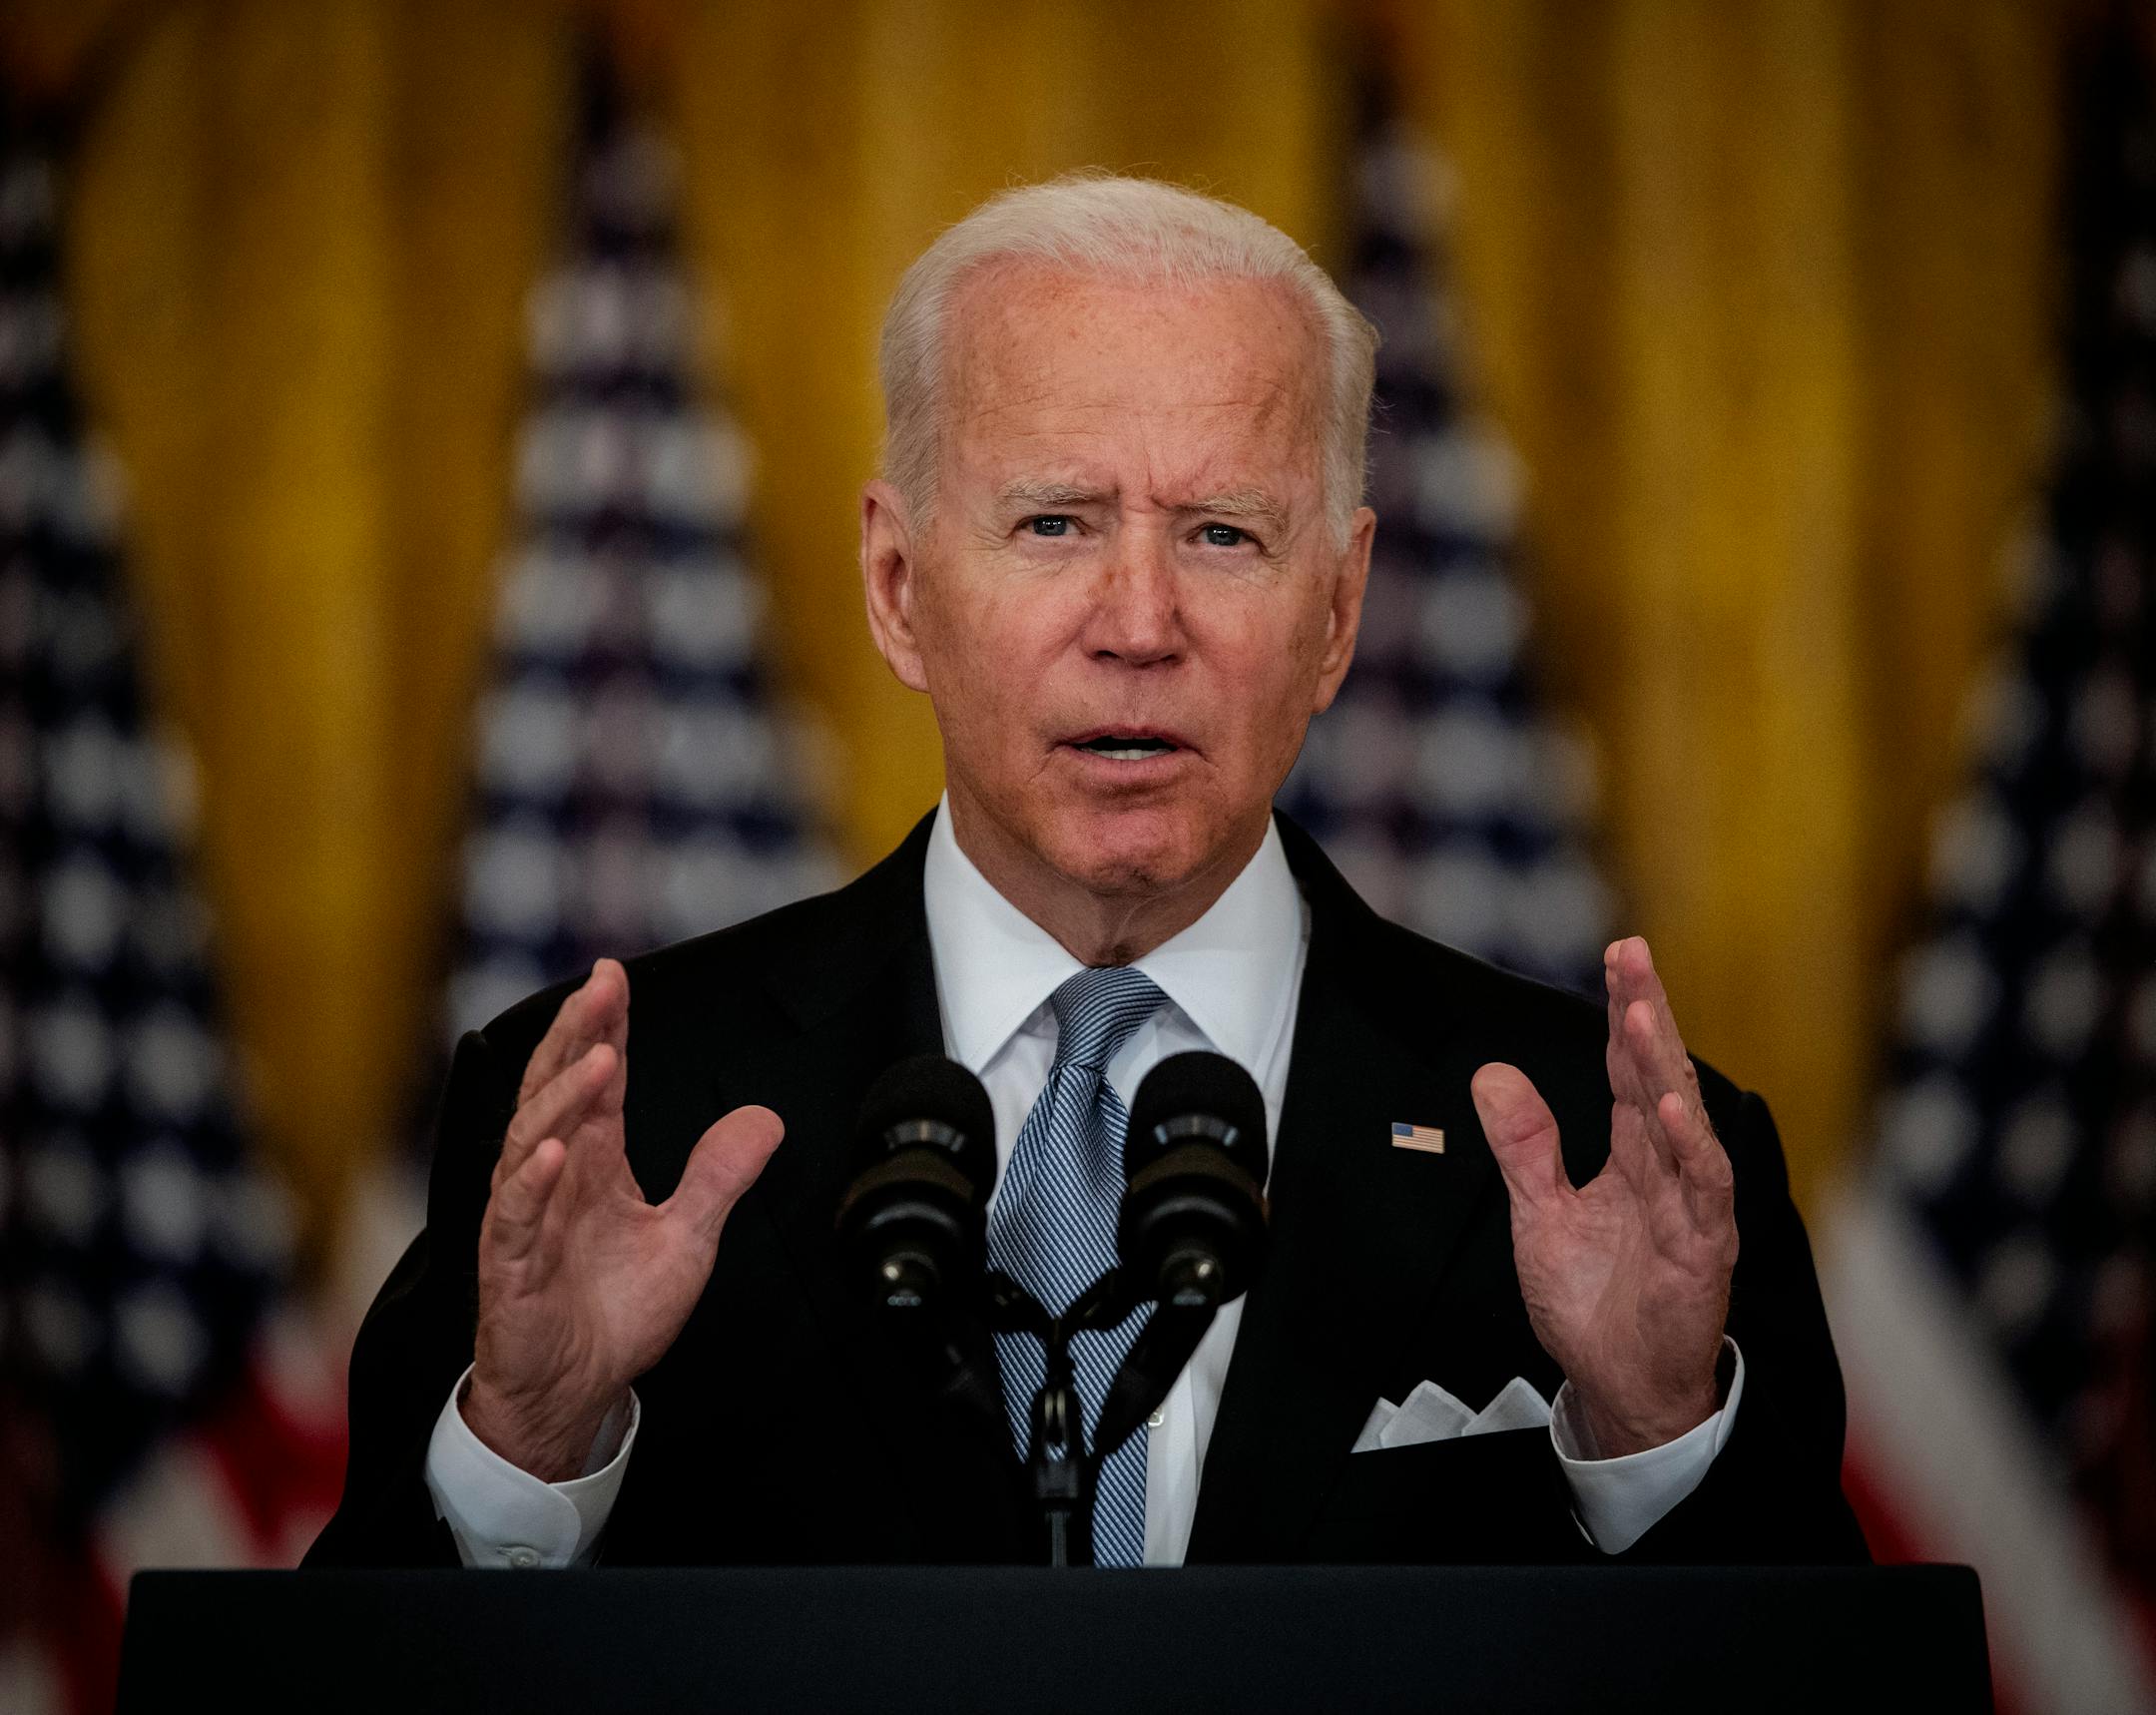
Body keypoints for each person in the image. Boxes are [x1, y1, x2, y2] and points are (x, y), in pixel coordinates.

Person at [307, 175, 1867, 1571]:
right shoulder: (615, 1122)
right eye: (1054, 521)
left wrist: (1655, 1439)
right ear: (900, 587)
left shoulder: (1618, 1154)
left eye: (1223, 536)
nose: (1138, 620)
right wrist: (525, 1448)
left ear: (1338, 613)